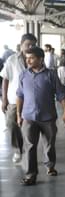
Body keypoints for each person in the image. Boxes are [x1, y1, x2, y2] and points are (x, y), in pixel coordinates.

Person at [16, 47, 65, 186]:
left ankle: (50, 165)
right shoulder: (23, 75)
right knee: (29, 146)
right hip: (28, 117)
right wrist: (18, 114)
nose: (28, 60)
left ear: (40, 59)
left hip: (48, 117)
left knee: (49, 144)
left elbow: (61, 95)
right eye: (26, 58)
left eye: (31, 58)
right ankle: (30, 175)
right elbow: (20, 96)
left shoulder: (51, 75)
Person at [1, 33, 37, 163]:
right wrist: (4, 98)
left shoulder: (37, 59)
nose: (30, 47)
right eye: (28, 44)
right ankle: (17, 149)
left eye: (33, 45)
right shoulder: (12, 60)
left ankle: (28, 151)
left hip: (31, 101)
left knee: (29, 128)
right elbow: (5, 79)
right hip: (13, 100)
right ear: (21, 45)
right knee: (11, 124)